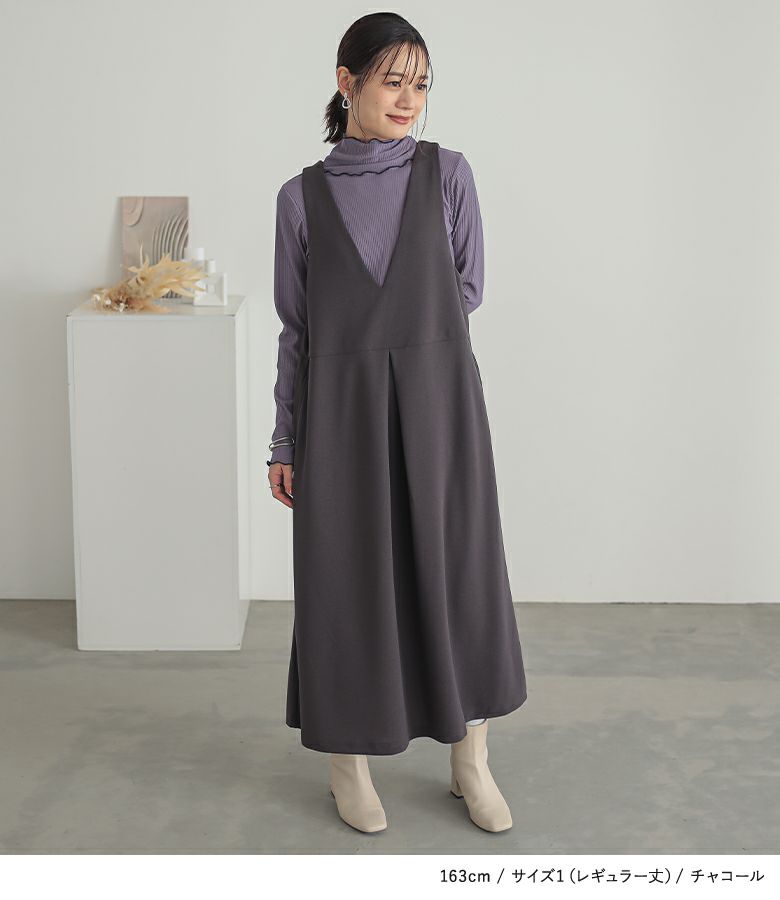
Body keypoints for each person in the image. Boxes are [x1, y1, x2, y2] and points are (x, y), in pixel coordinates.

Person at [267, 13, 527, 834]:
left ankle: (470, 761)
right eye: (392, 81)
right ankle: (349, 765)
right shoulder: (300, 199)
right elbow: (297, 329)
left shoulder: (448, 174)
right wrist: (284, 439)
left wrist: (411, 346)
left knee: (458, 572)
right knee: (345, 580)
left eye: (421, 84)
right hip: (339, 414)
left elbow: (465, 289)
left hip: (439, 402)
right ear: (346, 82)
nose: (409, 99)